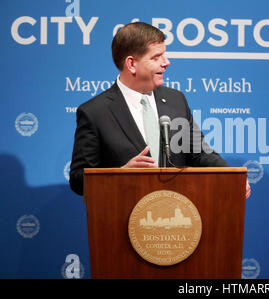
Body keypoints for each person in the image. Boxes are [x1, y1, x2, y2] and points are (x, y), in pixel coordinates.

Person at [69, 22, 250, 199]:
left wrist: (232, 176)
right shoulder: (95, 112)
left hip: (176, 214)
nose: (167, 63)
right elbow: (78, 180)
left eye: (164, 55)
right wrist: (119, 174)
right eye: (156, 57)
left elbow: (200, 153)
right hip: (123, 216)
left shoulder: (175, 100)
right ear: (131, 64)